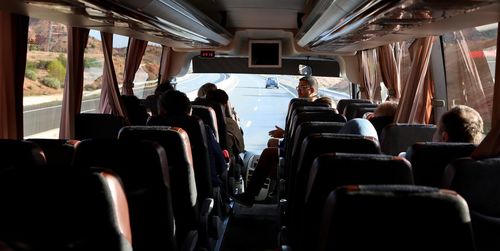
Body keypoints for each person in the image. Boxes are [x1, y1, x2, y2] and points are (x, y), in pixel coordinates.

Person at [233, 76, 322, 207]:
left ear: (312, 89)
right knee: (272, 143)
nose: (299, 91)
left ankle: (250, 195)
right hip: (299, 146)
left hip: (304, 151)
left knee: (268, 153)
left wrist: (285, 134)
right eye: (298, 88)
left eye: (303, 88)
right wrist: (284, 134)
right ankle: (274, 190)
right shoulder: (302, 107)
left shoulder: (310, 109)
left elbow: (306, 134)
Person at [149, 90, 227, 188]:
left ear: (161, 110)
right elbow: (221, 166)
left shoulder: (149, 131)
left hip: (158, 193)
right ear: (189, 110)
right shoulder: (202, 130)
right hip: (201, 193)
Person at [206, 89, 245, 160]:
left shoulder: (195, 123)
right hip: (223, 164)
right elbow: (240, 149)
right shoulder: (230, 123)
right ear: (224, 105)